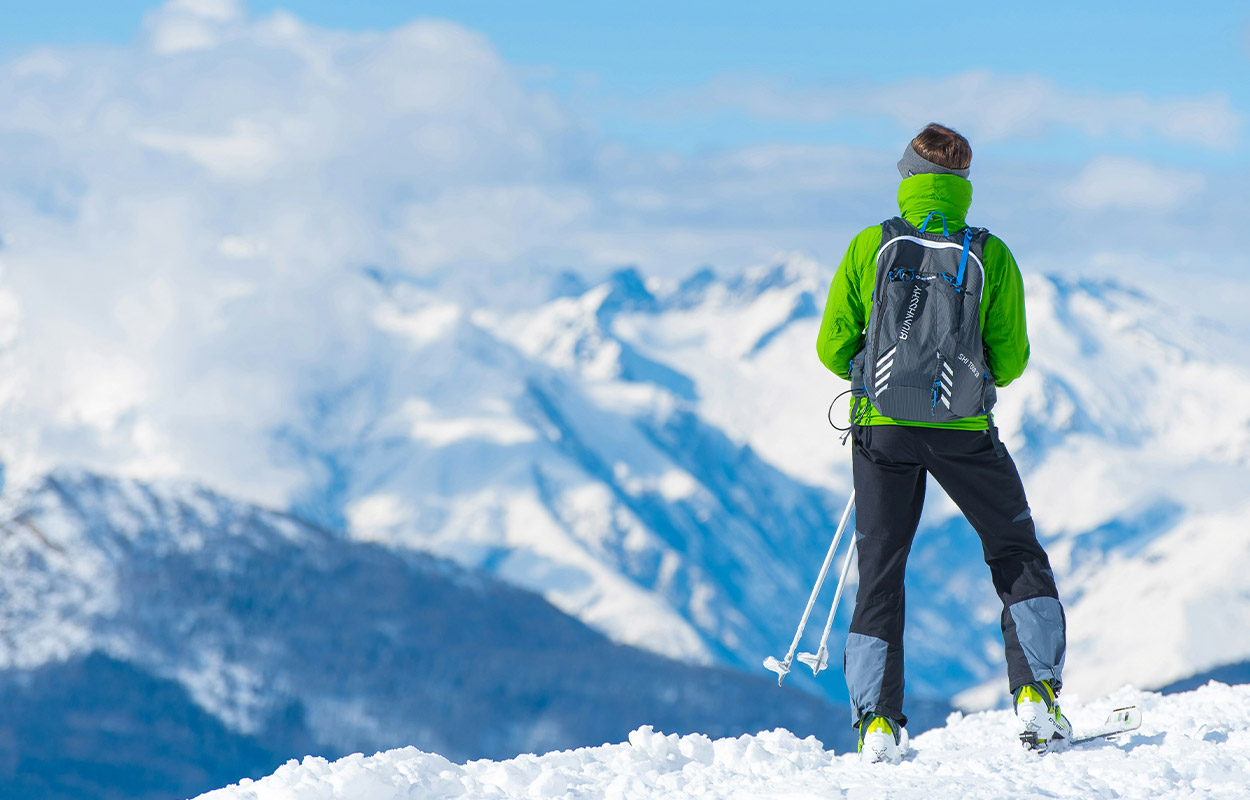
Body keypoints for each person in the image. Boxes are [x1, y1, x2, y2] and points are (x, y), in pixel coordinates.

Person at [815, 123, 1068, 763]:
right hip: (963, 433)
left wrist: (875, 376)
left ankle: (877, 723)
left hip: (882, 428)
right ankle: (1036, 695)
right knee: (1013, 550)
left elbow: (830, 346)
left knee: (881, 569)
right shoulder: (991, 252)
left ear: (906, 175)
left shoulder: (871, 246)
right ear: (964, 184)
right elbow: (1011, 357)